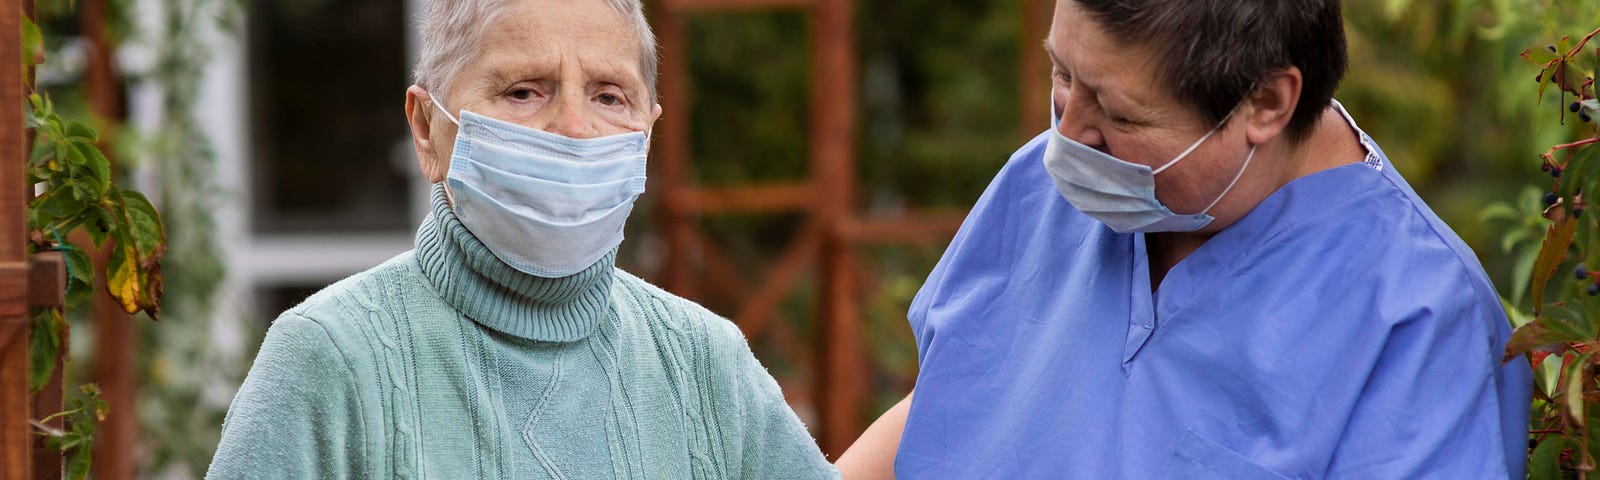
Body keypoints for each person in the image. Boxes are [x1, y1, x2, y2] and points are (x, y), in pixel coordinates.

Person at [836, 1, 1532, 478]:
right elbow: (964, 404)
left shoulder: (1416, 322)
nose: (1069, 134)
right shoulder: (1045, 185)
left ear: (1265, 103)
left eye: (1116, 111)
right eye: (1063, 73)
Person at [206, 0, 839, 478]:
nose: (571, 127)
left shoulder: (704, 364)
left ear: (648, 131)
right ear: (426, 128)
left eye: (609, 96)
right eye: (523, 92)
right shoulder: (330, 357)